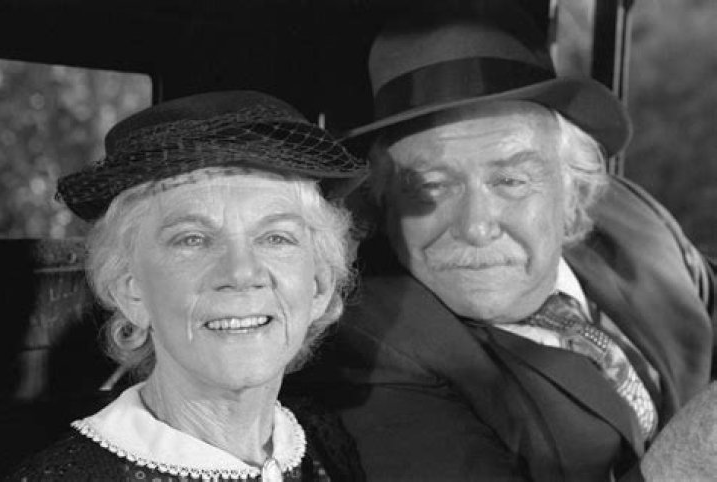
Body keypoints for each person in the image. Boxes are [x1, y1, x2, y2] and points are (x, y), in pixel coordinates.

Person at [289, 4, 717, 481]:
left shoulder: (633, 219)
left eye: (510, 180)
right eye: (431, 186)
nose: (476, 227)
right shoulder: (366, 350)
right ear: (384, 202)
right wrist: (691, 458)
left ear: (572, 190)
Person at [6, 90, 368, 481]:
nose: (241, 273)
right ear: (131, 290)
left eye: (276, 237)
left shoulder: (323, 440)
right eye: (193, 239)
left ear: (318, 286)